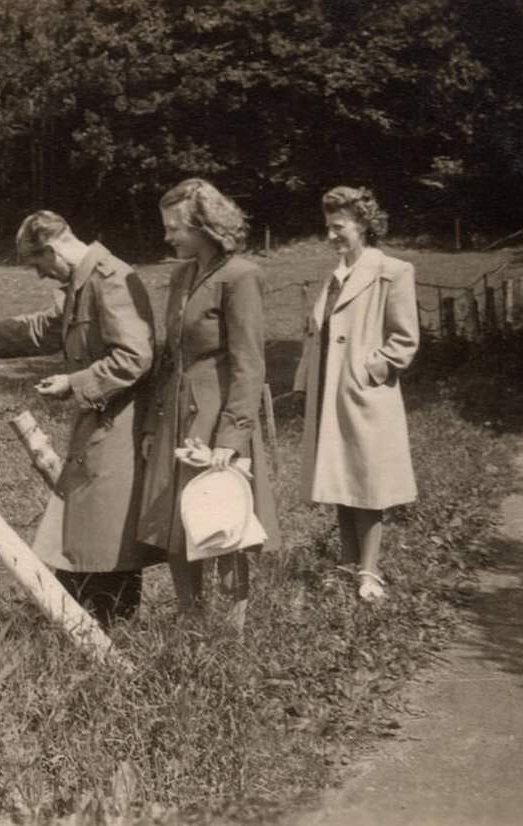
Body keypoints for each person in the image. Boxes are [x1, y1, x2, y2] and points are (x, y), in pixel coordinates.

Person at [0, 210, 159, 625]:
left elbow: (136, 356)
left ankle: (110, 629)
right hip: (98, 424)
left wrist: (74, 382)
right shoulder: (82, 282)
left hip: (120, 427)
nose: (41, 275)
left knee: (107, 534)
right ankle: (89, 626)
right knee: (86, 529)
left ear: (53, 248)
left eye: (38, 264)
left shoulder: (110, 279)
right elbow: (50, 327)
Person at [136, 179, 280, 630]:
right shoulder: (181, 276)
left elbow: (249, 364)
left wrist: (231, 438)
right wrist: (151, 423)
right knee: (178, 515)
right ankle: (190, 615)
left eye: (175, 228)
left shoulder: (241, 276)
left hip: (216, 412)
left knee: (223, 511)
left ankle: (234, 624)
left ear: (205, 226)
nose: (168, 237)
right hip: (176, 410)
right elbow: (169, 356)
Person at [292, 186, 419, 602]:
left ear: (363, 224)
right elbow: (317, 335)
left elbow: (405, 340)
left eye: (338, 227)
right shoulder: (334, 278)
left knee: (367, 481)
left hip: (364, 396)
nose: (331, 235)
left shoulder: (391, 271)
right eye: (328, 227)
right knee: (340, 480)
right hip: (330, 395)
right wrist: (305, 383)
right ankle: (346, 565)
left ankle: (370, 571)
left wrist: (370, 370)